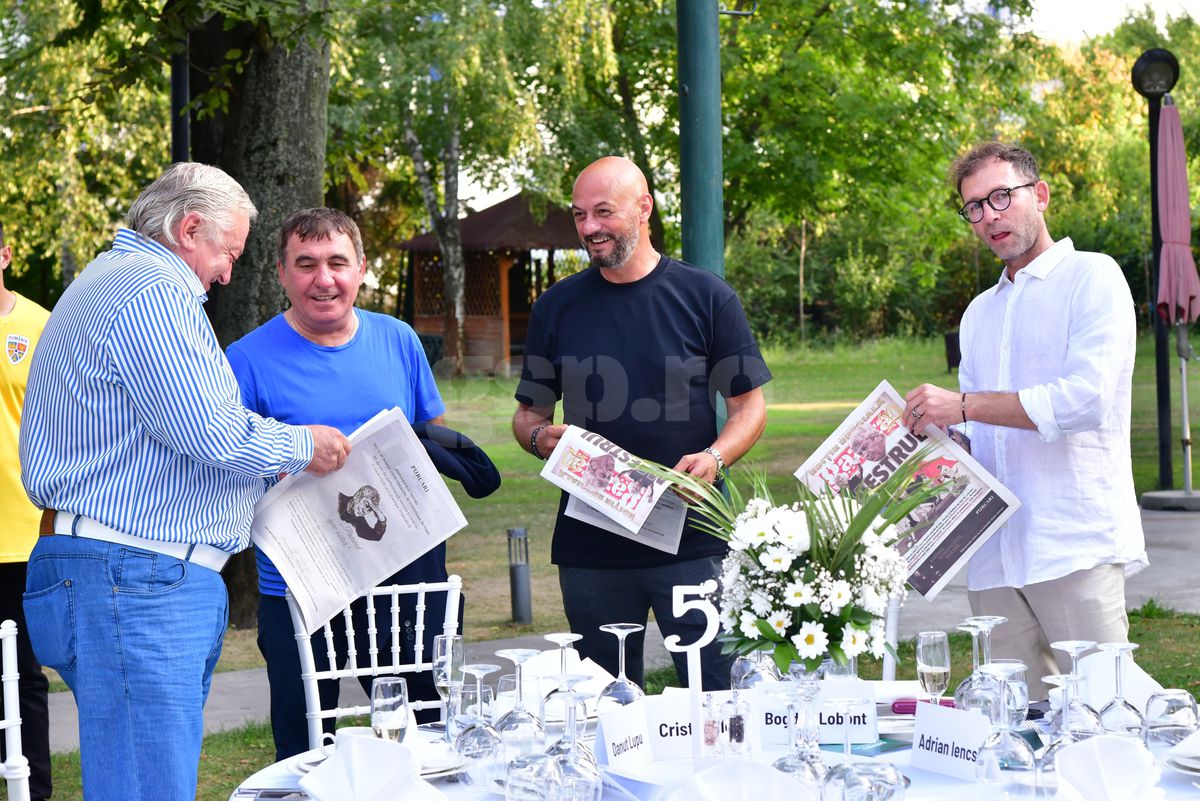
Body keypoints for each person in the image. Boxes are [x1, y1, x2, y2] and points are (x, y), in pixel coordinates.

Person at [18, 164, 352, 801]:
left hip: (124, 573)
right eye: (229, 252)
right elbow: (209, 431)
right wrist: (303, 445)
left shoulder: (114, 280)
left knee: (141, 777)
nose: (226, 273)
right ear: (190, 228)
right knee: (148, 786)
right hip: (136, 578)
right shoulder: (150, 289)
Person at [512, 156, 772, 690]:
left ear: (644, 207)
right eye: (579, 215)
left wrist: (716, 457)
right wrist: (539, 438)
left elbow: (749, 407)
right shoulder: (555, 307)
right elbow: (528, 416)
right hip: (591, 545)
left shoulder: (706, 296)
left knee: (717, 696)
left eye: (603, 212)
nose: (589, 227)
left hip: (693, 538)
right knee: (605, 704)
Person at [902, 142, 1146, 699]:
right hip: (993, 553)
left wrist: (963, 406)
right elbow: (977, 431)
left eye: (1000, 197)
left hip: (1071, 544)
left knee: (1105, 713)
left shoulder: (1094, 277)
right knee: (1011, 722)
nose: (988, 216)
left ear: (1040, 195)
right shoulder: (977, 312)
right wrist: (936, 434)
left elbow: (1084, 401)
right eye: (973, 207)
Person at [225, 208, 454, 761]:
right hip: (300, 583)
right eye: (305, 264)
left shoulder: (398, 339)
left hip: (401, 573)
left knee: (420, 734)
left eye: (337, 262)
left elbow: (433, 437)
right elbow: (229, 467)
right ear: (282, 273)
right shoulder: (244, 360)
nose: (323, 279)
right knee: (305, 744)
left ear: (361, 268)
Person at [0, 221, 52, 801]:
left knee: (24, 674)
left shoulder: (39, 325)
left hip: (22, 531)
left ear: (6, 255)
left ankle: (33, 790)